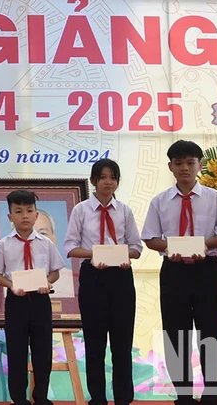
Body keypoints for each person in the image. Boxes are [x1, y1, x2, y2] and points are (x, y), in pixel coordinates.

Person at [140, 140, 217, 405]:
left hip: (207, 271)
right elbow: (150, 238)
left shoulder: (215, 198)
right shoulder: (160, 201)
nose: (185, 168)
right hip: (174, 271)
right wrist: (169, 247)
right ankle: (184, 395)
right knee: (175, 334)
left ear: (200, 165)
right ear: (170, 166)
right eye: (178, 163)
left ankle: (214, 394)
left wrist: (203, 245)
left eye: (190, 163)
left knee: (211, 333)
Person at [63, 159, 141, 405]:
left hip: (121, 276)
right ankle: (97, 398)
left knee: (122, 342)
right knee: (95, 342)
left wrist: (123, 256)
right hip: (93, 276)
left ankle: (123, 398)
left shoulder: (125, 210)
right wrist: (95, 254)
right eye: (103, 177)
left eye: (113, 177)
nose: (109, 182)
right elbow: (70, 247)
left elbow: (137, 248)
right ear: (93, 180)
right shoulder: (81, 210)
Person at [0, 190, 64, 405]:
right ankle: (19, 398)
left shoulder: (46, 243)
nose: (25, 215)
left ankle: (40, 396)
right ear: (10, 216)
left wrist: (48, 282)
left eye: (29, 211)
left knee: (43, 351)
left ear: (36, 214)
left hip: (41, 301)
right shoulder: (4, 244)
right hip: (16, 302)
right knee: (16, 351)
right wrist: (11, 285)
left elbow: (55, 271)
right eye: (18, 211)